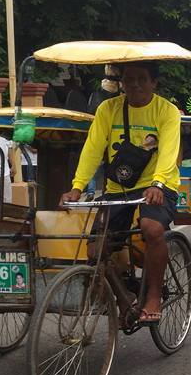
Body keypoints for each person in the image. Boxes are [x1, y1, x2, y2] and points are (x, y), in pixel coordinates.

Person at [60, 62, 180, 325]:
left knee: (152, 229)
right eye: (129, 79)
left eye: (141, 78)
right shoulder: (108, 109)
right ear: (121, 83)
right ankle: (124, 295)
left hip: (160, 185)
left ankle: (153, 296)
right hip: (119, 187)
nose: (135, 84)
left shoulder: (167, 111)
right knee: (95, 249)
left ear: (153, 83)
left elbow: (169, 150)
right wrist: (77, 187)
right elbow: (92, 149)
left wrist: (158, 184)